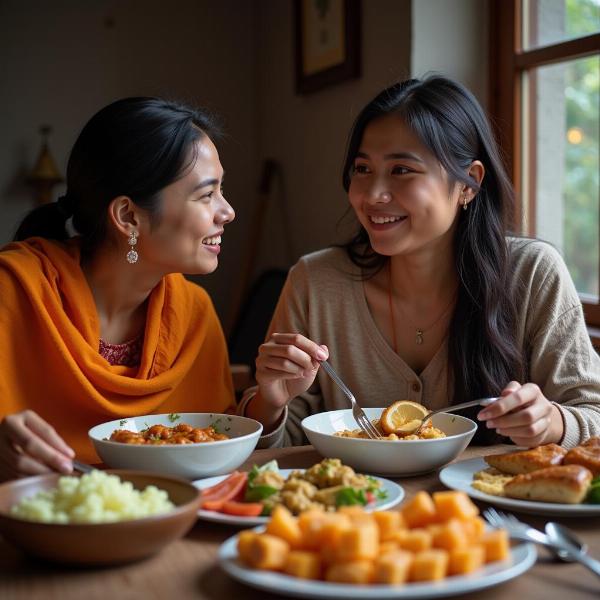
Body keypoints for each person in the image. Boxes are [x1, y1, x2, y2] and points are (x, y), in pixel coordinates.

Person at [242, 75, 600, 450]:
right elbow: (283, 447)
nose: (373, 195)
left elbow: (591, 413)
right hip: (357, 507)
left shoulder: (532, 275)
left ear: (469, 184)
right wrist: (270, 401)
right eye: (362, 169)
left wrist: (552, 423)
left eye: (401, 170)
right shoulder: (315, 282)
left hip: (486, 507)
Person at [0, 97, 235, 481]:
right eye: (207, 195)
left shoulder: (194, 311)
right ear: (128, 216)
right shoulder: (13, 291)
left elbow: (221, 445)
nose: (227, 212)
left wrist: (271, 403)